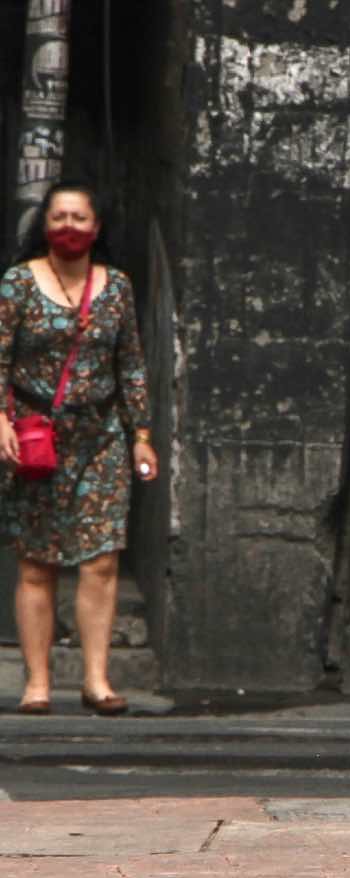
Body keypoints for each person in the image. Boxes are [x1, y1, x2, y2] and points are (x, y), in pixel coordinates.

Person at [0, 181, 158, 716]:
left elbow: (131, 363)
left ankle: (96, 680)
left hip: (102, 438)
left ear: (96, 227)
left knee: (101, 561)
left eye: (79, 218)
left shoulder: (115, 287)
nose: (69, 226)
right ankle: (38, 683)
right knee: (36, 563)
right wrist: (1, 418)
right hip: (34, 436)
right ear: (45, 225)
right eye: (59, 216)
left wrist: (141, 434)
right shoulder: (18, 283)